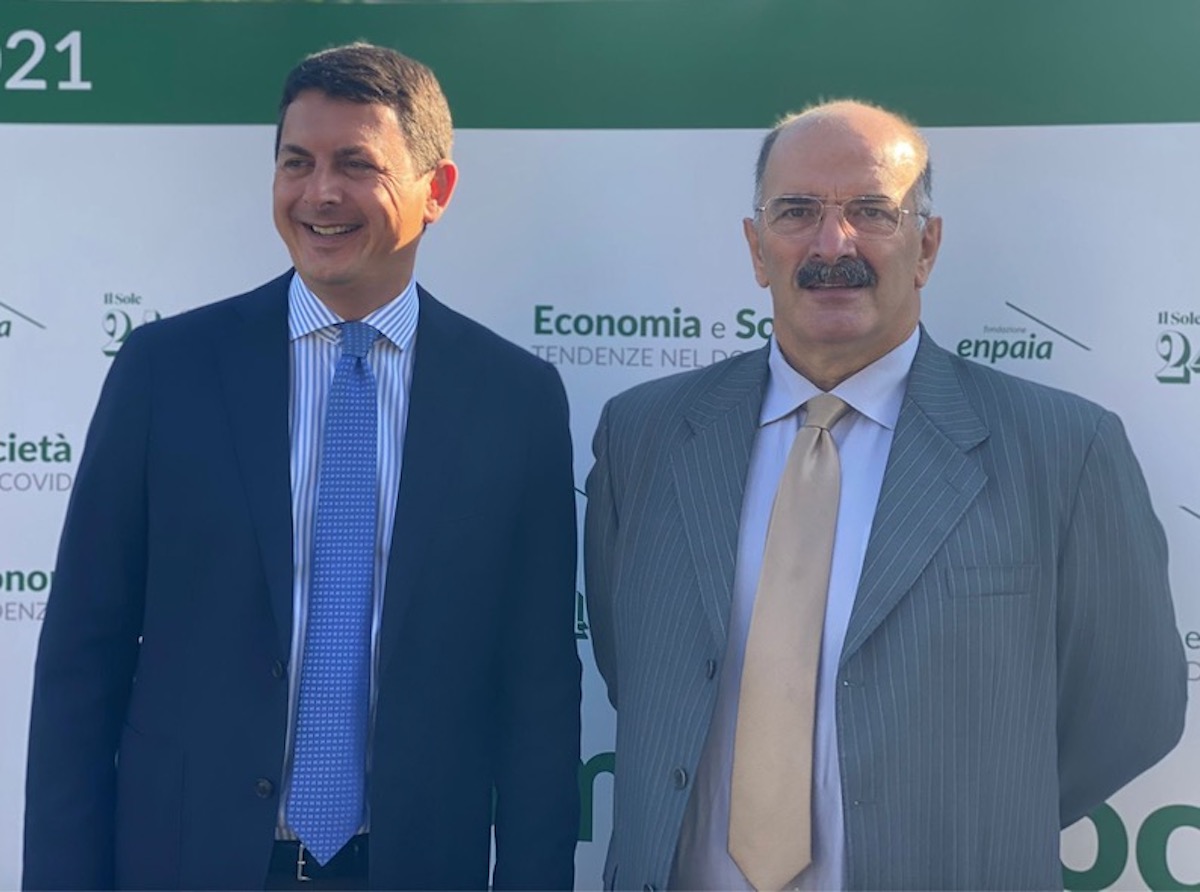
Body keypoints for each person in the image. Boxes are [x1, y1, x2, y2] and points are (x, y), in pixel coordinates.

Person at [584, 99, 1187, 891]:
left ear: (926, 245)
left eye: (872, 211)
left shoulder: (1063, 451)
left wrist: (974, 822)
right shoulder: (645, 437)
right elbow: (634, 668)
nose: (832, 244)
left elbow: (1134, 709)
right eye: (796, 212)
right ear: (758, 249)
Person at [24, 43, 581, 891]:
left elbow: (539, 692)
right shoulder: (166, 372)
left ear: (436, 190)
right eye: (297, 162)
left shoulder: (514, 401)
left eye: (356, 164)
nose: (319, 192)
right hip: (188, 865)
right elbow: (81, 658)